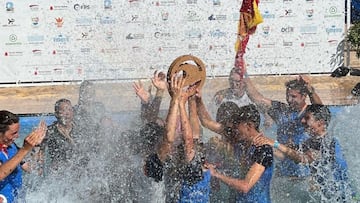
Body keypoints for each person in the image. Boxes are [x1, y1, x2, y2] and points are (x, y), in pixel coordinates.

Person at [245, 75, 322, 201]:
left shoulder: (309, 115)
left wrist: (310, 90)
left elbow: (321, 109)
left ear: (304, 96)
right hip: (283, 176)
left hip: (305, 177)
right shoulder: (282, 110)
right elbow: (257, 98)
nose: (289, 100)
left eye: (293, 96)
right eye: (288, 95)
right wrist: (244, 73)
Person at [255, 104, 354, 202]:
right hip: (328, 196)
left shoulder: (328, 143)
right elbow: (285, 156)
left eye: (307, 118)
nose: (302, 121)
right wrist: (265, 144)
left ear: (320, 123)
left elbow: (303, 159)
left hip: (343, 198)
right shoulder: (309, 142)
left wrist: (275, 143)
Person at [144, 75, 211, 202]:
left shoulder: (189, 168)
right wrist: (180, 101)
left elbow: (188, 139)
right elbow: (186, 140)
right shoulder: (197, 170)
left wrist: (184, 100)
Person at [196, 94, 274, 202]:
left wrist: (216, 174)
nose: (234, 130)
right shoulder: (239, 139)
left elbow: (245, 186)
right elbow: (206, 122)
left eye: (237, 126)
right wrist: (198, 99)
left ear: (249, 126)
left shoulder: (263, 150)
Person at [0, 110, 47, 203]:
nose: (17, 136)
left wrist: (37, 146)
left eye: (18, 132)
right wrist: (25, 149)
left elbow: (35, 170)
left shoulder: (12, 147)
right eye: (13, 133)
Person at [40, 99, 77, 176]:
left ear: (73, 112)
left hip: (78, 170)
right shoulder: (50, 131)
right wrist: (40, 167)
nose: (66, 113)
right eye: (62, 111)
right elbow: (40, 151)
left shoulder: (80, 130)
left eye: (69, 110)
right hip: (59, 172)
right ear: (56, 114)